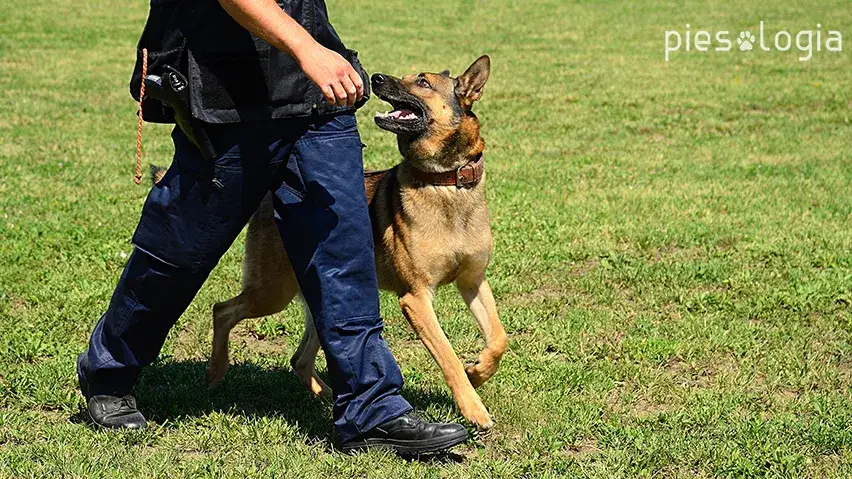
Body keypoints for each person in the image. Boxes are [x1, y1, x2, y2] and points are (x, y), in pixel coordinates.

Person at [76, 0, 469, 455]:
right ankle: (109, 372)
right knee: (179, 251)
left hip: (318, 101)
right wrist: (307, 49)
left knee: (342, 251)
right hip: (226, 98)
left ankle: (372, 410)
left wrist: (315, 52)